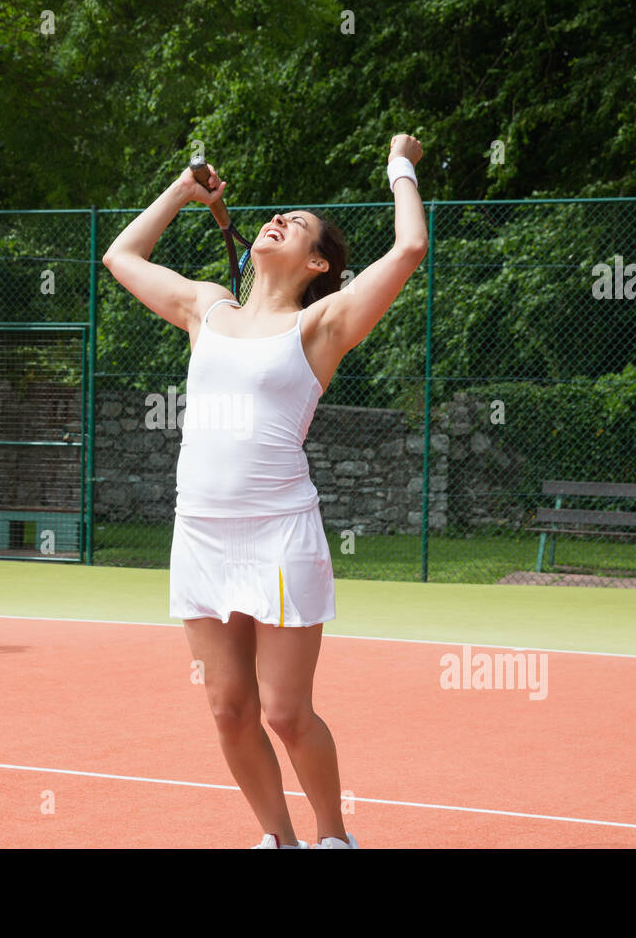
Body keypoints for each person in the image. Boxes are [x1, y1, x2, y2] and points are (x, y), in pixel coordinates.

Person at [102, 135, 428, 848]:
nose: (280, 220)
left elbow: (407, 250)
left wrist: (399, 166)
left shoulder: (321, 324)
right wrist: (185, 192)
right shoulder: (206, 307)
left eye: (300, 224)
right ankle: (277, 839)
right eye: (276, 216)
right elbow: (119, 258)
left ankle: (333, 836)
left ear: (318, 263)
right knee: (227, 710)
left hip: (278, 532)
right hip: (201, 535)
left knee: (284, 712)